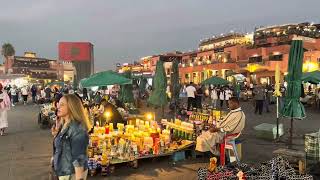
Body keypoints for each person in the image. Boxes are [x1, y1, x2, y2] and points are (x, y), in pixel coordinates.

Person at [51, 94, 91, 180]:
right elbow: (65, 145)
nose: (58, 107)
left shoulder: (77, 129)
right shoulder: (64, 124)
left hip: (71, 174)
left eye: (62, 104)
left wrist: (79, 178)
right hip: (62, 172)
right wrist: (56, 135)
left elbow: (79, 158)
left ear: (71, 107)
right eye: (58, 104)